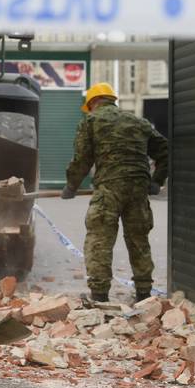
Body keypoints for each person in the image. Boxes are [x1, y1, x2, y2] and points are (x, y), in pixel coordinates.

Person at [62, 83, 168, 303]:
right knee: (139, 240)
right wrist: (156, 181)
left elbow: (82, 158)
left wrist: (71, 186)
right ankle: (144, 294)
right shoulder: (138, 122)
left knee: (99, 240)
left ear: (92, 102)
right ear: (112, 100)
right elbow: (165, 150)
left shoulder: (91, 121)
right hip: (138, 190)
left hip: (108, 189)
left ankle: (100, 296)